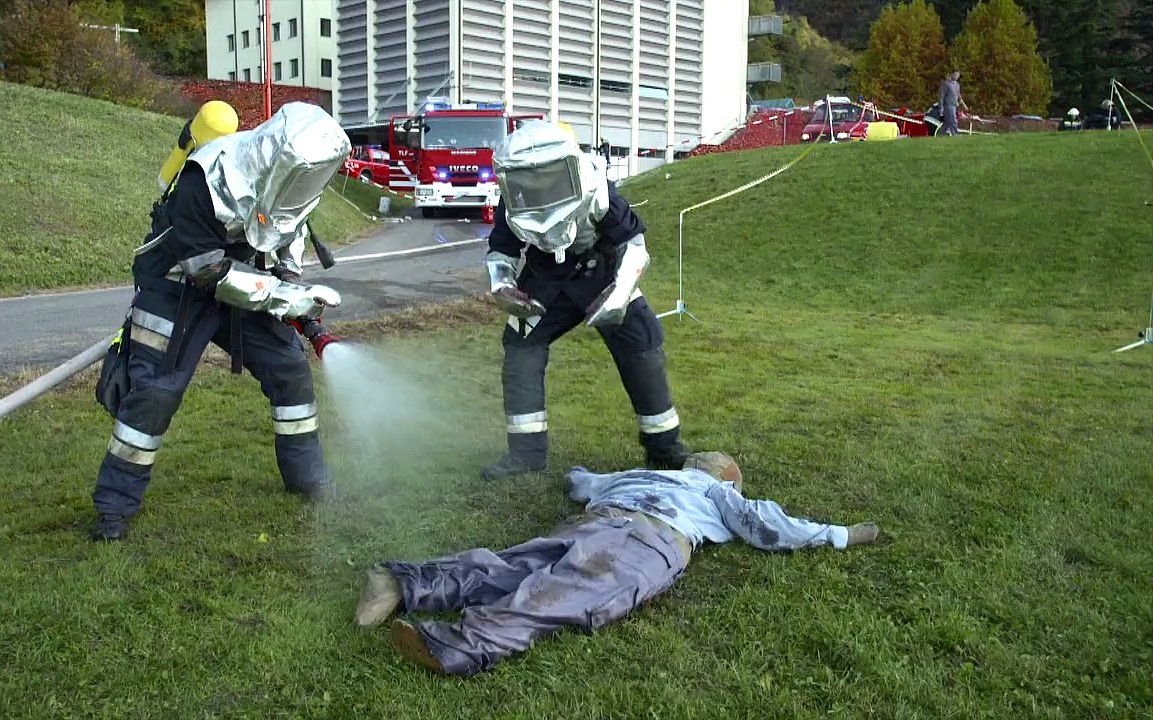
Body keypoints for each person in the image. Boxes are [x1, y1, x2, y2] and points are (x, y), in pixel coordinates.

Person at [354, 451, 880, 676]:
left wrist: (580, 471)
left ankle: (401, 582)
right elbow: (766, 525)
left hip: (602, 516)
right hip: (650, 541)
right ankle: (458, 646)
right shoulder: (715, 492)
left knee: (516, 564)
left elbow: (581, 481)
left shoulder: (638, 474)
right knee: (563, 595)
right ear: (726, 477)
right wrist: (838, 535)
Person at [90, 102, 350, 541]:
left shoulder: (297, 179)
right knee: (155, 391)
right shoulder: (204, 176)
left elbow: (290, 230)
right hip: (176, 284)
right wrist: (285, 296)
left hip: (241, 279)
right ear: (279, 157)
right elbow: (206, 270)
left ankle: (309, 478)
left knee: (288, 368)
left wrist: (291, 285)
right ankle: (113, 510)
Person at [480, 120, 689, 480]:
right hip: (545, 279)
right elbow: (502, 251)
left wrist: (619, 294)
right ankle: (526, 454)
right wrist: (502, 287)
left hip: (601, 272)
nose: (538, 187)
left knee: (641, 340)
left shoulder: (597, 188)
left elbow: (634, 246)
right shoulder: (510, 199)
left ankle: (665, 448)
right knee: (520, 346)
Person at [939, 70, 968, 137]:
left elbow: (959, 96)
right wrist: (941, 108)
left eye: (958, 75)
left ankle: (941, 135)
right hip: (948, 105)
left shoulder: (957, 85)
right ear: (951, 74)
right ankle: (955, 134)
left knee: (946, 122)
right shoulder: (946, 84)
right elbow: (941, 97)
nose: (956, 77)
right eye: (955, 75)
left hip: (954, 106)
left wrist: (964, 105)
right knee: (953, 120)